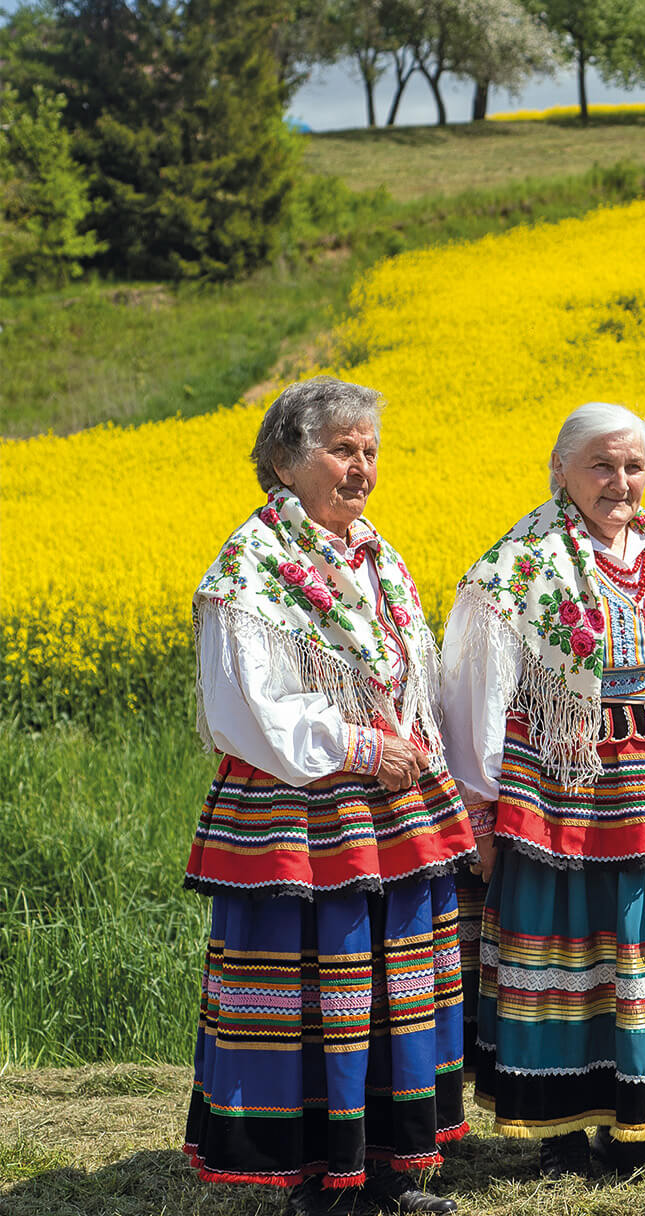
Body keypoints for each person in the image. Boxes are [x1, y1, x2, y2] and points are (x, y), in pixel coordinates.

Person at [183, 376, 471, 1216]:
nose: (361, 468)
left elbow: (408, 670)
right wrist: (358, 745)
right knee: (318, 990)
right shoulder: (252, 570)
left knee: (392, 986)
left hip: (387, 805)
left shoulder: (375, 554)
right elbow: (249, 710)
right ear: (285, 459)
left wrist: (412, 742)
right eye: (341, 449)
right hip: (301, 814)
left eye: (369, 451)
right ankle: (319, 1182)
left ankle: (381, 1168)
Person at [441, 403, 645, 1179]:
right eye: (602, 464)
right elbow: (474, 687)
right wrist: (480, 800)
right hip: (568, 789)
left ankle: (642, 1122)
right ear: (560, 468)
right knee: (569, 951)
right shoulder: (519, 565)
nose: (620, 481)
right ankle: (559, 1125)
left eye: (633, 466)